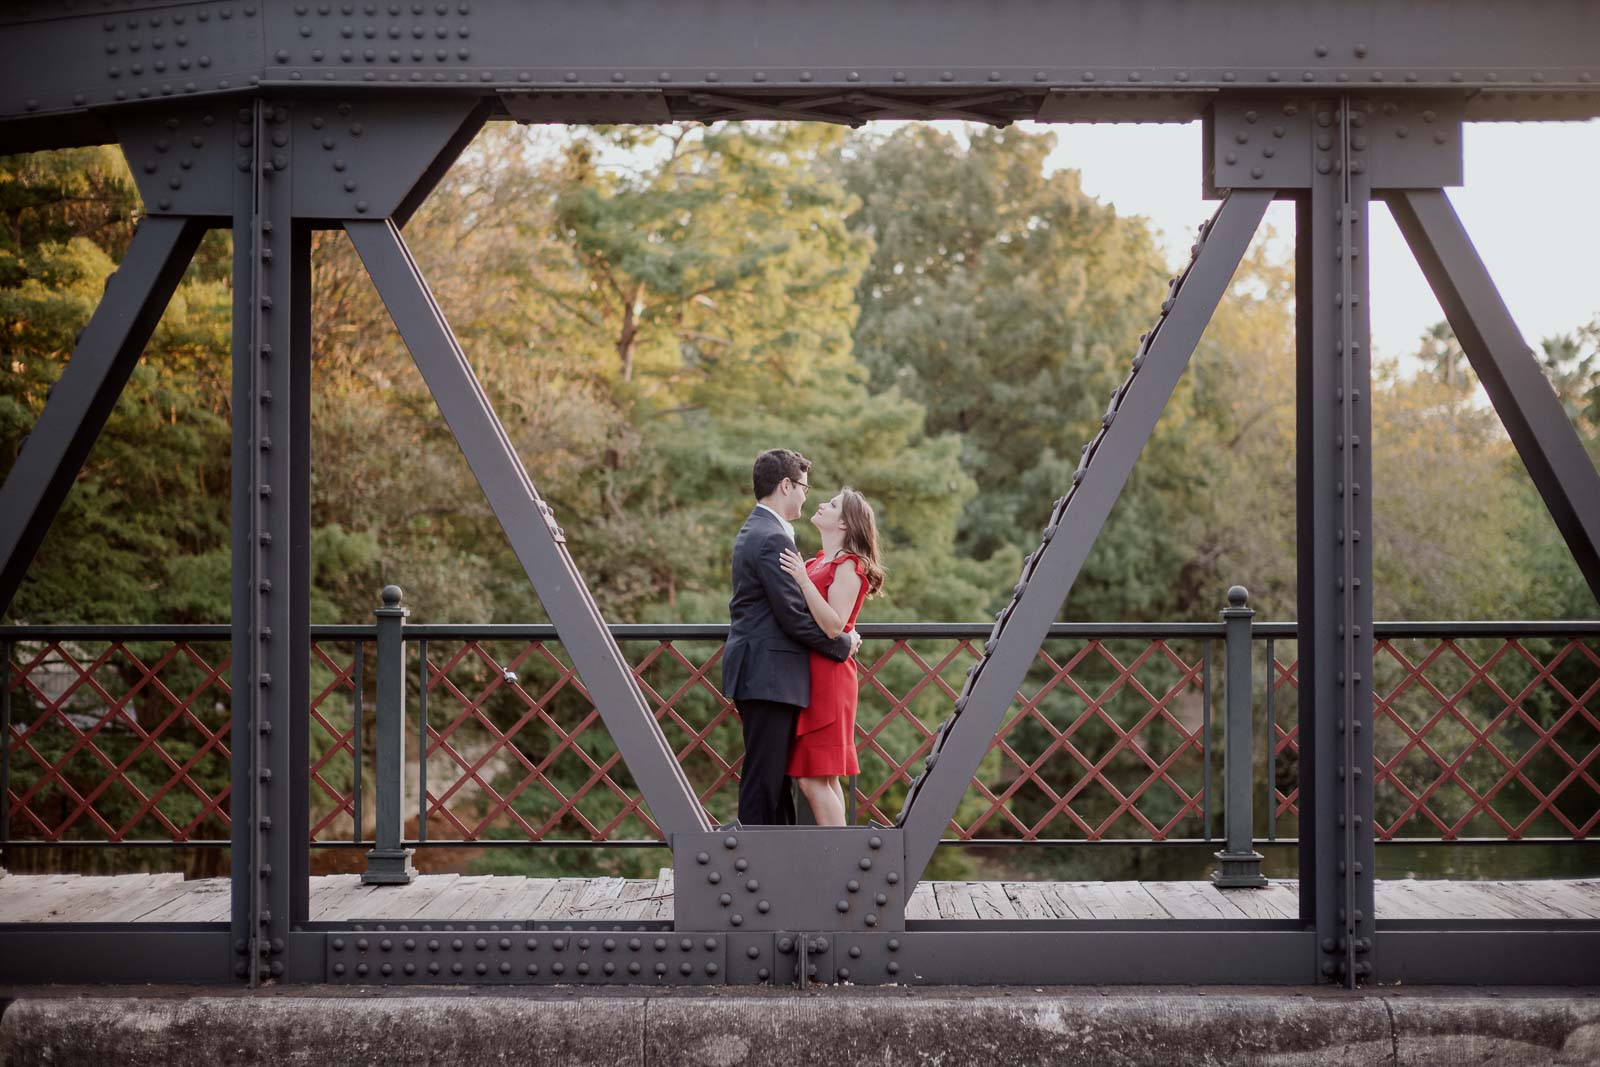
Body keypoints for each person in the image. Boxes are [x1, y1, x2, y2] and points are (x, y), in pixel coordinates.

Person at [723, 449, 861, 826]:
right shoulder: (771, 538)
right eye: (802, 486)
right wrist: (843, 644)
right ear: (785, 486)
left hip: (767, 674)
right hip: (769, 675)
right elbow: (793, 618)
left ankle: (773, 866)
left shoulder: (762, 531)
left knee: (771, 778)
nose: (805, 495)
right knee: (764, 781)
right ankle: (758, 869)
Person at [777, 488, 885, 825]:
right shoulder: (816, 563)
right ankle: (842, 860)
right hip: (810, 677)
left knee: (812, 778)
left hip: (829, 679)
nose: (822, 504)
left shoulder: (849, 566)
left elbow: (833, 624)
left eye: (833, 504)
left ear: (844, 524)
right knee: (823, 777)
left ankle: (838, 862)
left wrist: (800, 579)